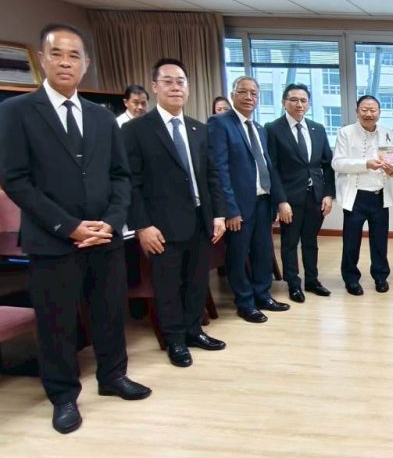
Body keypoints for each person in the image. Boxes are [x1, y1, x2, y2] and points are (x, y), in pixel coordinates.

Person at [0, 23, 151, 434]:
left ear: (86, 64)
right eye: (57, 54)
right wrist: (69, 227)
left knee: (109, 312)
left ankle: (113, 376)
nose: (65, 62)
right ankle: (63, 396)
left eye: (74, 56)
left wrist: (112, 223)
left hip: (104, 237)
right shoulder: (16, 111)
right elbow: (15, 180)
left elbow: (120, 176)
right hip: (53, 240)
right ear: (42, 59)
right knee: (57, 322)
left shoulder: (102, 117)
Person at [123, 58, 228, 368]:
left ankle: (193, 330)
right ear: (155, 87)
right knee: (168, 285)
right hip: (161, 225)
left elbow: (211, 176)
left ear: (188, 88)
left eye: (180, 81)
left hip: (200, 218)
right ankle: (175, 340)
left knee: (197, 281)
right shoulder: (136, 130)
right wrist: (142, 225)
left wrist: (218, 214)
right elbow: (130, 183)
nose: (175, 87)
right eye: (167, 81)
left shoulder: (198, 129)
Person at [207, 76, 288, 323]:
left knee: (263, 251)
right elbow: (219, 169)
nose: (249, 97)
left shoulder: (259, 129)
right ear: (233, 95)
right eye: (243, 92)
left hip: (263, 201)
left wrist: (278, 200)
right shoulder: (220, 123)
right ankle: (244, 302)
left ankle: (262, 295)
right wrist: (230, 209)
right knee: (238, 254)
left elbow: (268, 166)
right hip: (239, 206)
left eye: (254, 93)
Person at [265, 84, 335, 303]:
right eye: (294, 100)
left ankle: (312, 280)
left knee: (311, 241)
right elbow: (272, 168)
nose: (299, 104)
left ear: (309, 104)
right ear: (284, 102)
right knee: (290, 242)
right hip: (290, 198)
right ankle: (293, 284)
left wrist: (328, 194)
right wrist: (280, 201)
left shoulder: (317, 128)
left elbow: (327, 164)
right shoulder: (273, 129)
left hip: (315, 196)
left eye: (303, 100)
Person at [333, 95, 393, 295]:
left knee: (380, 241)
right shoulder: (345, 133)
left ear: (379, 112)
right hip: (356, 197)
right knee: (351, 242)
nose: (369, 114)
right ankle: (351, 279)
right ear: (357, 111)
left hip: (379, 196)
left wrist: (392, 169)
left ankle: (381, 276)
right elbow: (337, 163)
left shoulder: (387, 132)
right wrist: (365, 164)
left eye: (373, 110)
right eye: (364, 110)